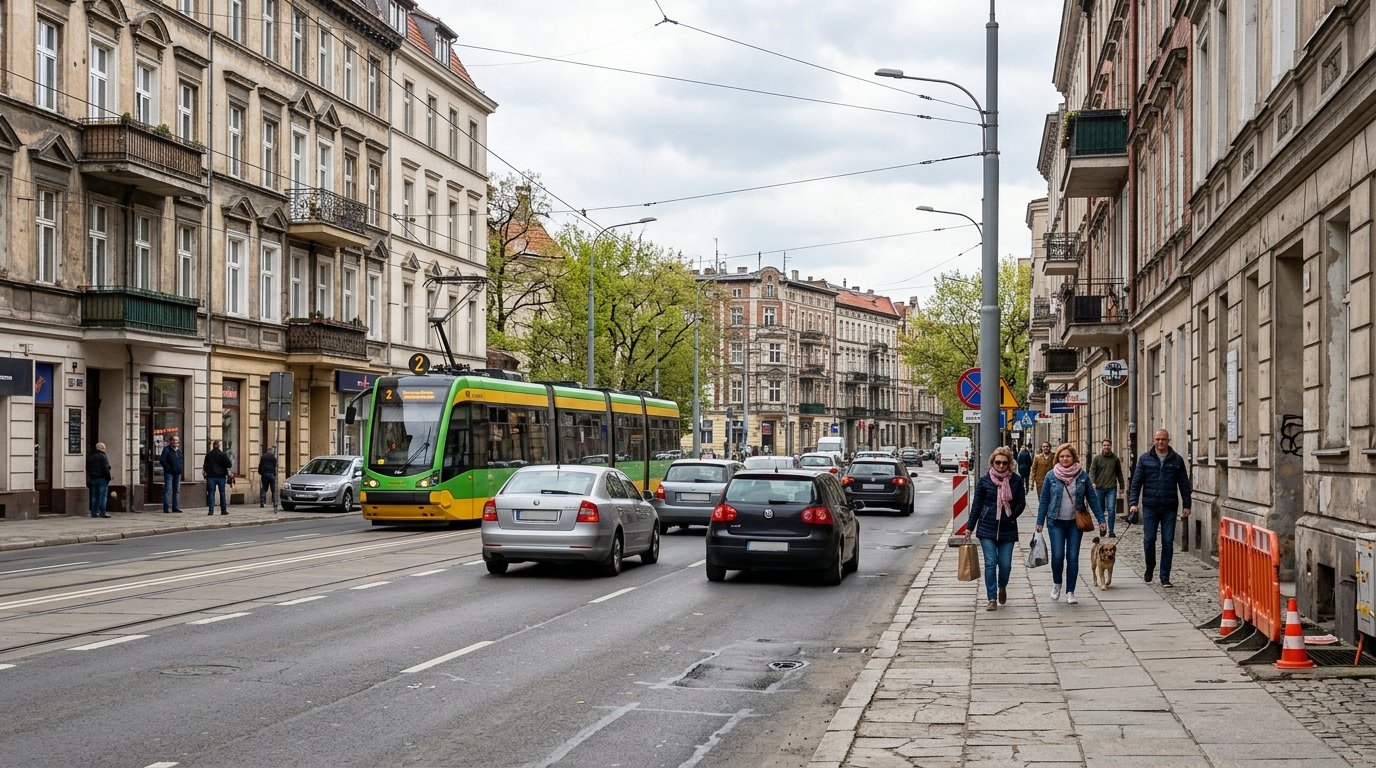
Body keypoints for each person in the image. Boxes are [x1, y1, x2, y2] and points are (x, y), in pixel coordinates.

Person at [1035, 442, 1105, 604]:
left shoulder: (1082, 476)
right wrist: (1039, 522)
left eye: (1068, 456)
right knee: (1058, 556)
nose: (1065, 459)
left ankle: (1071, 591)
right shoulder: (1051, 476)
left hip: (1075, 523)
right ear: (1058, 458)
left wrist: (1101, 520)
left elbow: (1093, 499)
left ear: (1074, 458)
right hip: (1055, 522)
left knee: (1072, 557)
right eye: (1062, 456)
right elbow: (1044, 500)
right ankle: (1057, 583)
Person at [1128, 429, 1192, 588]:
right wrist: (1133, 503)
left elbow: (1184, 483)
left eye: (1163, 439)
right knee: (1149, 539)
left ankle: (1165, 576)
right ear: (1153, 440)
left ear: (1168, 440)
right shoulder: (1145, 459)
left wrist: (1187, 504)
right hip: (1150, 506)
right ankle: (1150, 566)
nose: (1160, 442)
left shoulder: (1177, 460)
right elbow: (1136, 483)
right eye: (1157, 439)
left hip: (1169, 506)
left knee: (1168, 542)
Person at [966, 446, 1026, 611]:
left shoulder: (1016, 480)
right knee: (991, 563)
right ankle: (991, 598)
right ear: (992, 462)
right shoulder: (985, 481)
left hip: (1008, 529)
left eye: (1004, 463)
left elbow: (1022, 502)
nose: (1000, 466)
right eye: (997, 462)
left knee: (1005, 564)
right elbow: (977, 505)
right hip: (987, 527)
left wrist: (1012, 515)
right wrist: (970, 527)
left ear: (1009, 464)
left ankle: (1002, 587)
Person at [1089, 439, 1126, 537]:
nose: (1106, 447)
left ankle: (1111, 531)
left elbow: (1119, 473)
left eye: (1108, 445)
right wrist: (1092, 482)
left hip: (1111, 488)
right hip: (1099, 488)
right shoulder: (1097, 459)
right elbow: (1092, 471)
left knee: (1111, 509)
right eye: (1104, 445)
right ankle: (1102, 527)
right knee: (1100, 510)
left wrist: (1122, 485)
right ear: (1102, 446)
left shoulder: (1115, 459)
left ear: (1111, 446)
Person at [204, 439, 233, 516]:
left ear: (213, 445)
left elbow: (205, 467)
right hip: (221, 477)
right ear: (219, 446)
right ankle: (223, 510)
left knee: (211, 493)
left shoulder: (209, 454)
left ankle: (211, 511)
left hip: (211, 477)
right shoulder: (223, 454)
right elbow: (229, 465)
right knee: (222, 493)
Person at [159, 435, 185, 513]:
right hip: (169, 473)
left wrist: (180, 468)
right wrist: (168, 468)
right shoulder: (166, 450)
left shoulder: (179, 451)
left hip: (178, 473)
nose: (176, 442)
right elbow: (162, 461)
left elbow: (181, 460)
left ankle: (175, 507)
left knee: (176, 490)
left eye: (177, 440)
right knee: (167, 489)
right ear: (171, 441)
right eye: (175, 440)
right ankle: (166, 508)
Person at [86, 442, 112, 518]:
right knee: (102, 497)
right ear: (101, 449)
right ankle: (102, 513)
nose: (105, 449)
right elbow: (105, 469)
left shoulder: (91, 457)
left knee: (94, 496)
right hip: (102, 479)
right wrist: (108, 478)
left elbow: (88, 468)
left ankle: (94, 513)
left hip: (93, 479)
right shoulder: (103, 457)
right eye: (104, 448)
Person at [258, 445, 279, 509]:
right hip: (271, 474)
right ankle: (274, 502)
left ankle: (262, 502)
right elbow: (275, 467)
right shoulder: (273, 458)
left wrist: (260, 473)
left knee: (264, 488)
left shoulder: (263, 456)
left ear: (267, 450)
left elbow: (260, 465)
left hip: (264, 474)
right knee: (273, 489)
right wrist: (274, 475)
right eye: (272, 450)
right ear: (271, 450)